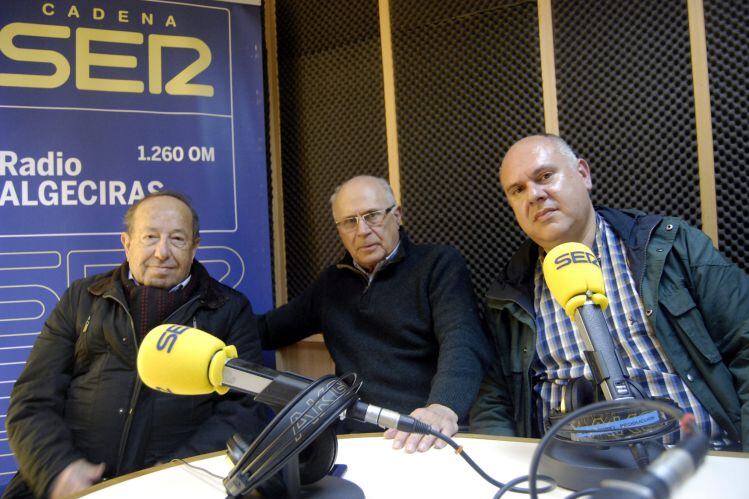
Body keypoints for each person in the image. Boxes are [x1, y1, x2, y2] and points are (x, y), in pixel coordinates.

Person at [470, 134, 749, 454]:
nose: (534, 194)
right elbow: (493, 401)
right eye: (517, 190)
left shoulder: (670, 247)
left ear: (583, 174)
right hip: (573, 473)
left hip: (701, 460)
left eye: (545, 176)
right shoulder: (508, 296)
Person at [4, 191, 269, 498]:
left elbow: (244, 411)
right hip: (71, 486)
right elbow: (31, 400)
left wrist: (175, 475)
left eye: (178, 239)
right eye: (150, 237)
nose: (161, 252)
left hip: (176, 488)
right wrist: (57, 469)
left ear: (195, 247)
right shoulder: (81, 299)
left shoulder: (229, 309)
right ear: (126, 243)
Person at [258, 175, 489, 453]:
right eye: (349, 222)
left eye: (372, 216)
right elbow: (267, 330)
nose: (362, 230)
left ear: (397, 215)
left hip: (424, 432)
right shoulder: (331, 284)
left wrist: (442, 407)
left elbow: (462, 340)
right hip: (354, 437)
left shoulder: (438, 265)